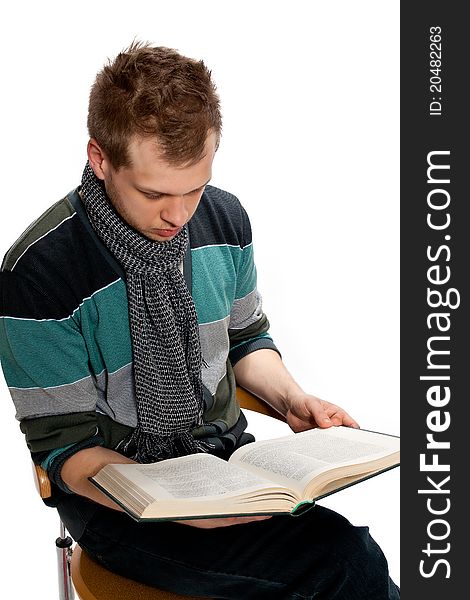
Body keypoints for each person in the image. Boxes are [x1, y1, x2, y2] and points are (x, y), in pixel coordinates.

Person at [0, 41, 399, 599]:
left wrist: (291, 400)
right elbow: (64, 450)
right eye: (155, 192)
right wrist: (174, 506)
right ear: (100, 158)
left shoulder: (224, 219)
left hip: (227, 469)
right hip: (115, 503)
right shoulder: (39, 271)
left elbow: (244, 339)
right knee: (342, 565)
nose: (178, 214)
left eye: (195, 188)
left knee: (350, 558)